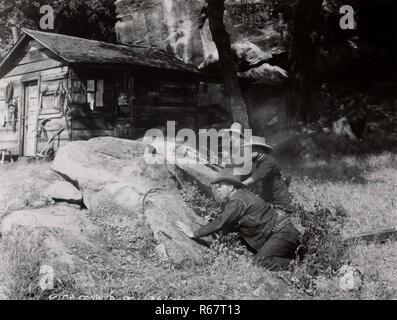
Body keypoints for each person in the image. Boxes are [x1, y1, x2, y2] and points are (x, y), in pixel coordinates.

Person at [176, 168, 300, 271]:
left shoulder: (238, 200)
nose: (217, 189)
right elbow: (227, 224)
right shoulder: (240, 197)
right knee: (262, 258)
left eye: (220, 186)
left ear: (230, 187)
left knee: (261, 262)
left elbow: (220, 222)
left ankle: (299, 266)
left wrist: (194, 233)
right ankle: (298, 257)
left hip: (283, 233)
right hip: (282, 233)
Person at [241, 136, 294, 212]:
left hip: (280, 199)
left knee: (288, 217)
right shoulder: (254, 161)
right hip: (266, 200)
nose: (249, 151)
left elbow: (259, 174)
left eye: (252, 149)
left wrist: (244, 183)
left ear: (260, 149)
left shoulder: (269, 160)